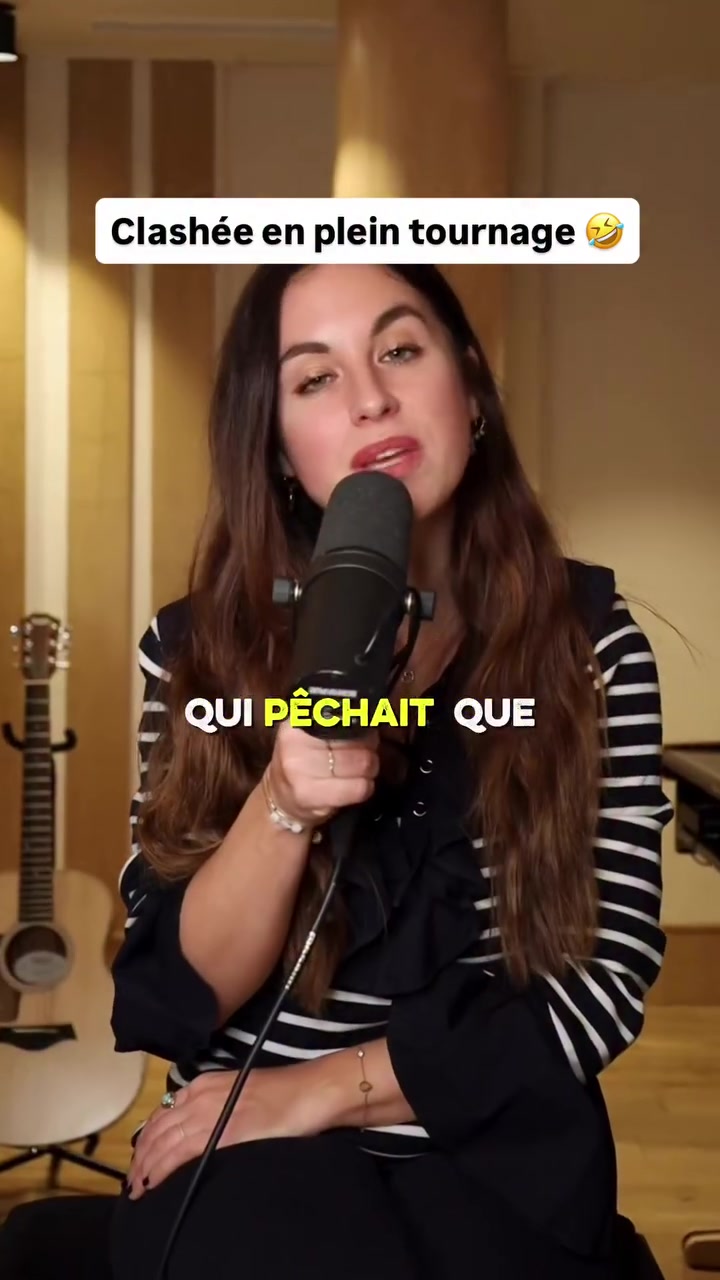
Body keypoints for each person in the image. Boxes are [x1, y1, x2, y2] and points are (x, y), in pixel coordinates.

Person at [0, 263, 674, 1280]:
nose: (370, 398)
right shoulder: (195, 656)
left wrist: (317, 1089)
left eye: (400, 349)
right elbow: (178, 996)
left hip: (496, 1164)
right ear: (277, 447)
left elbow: (603, 988)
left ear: (472, 388)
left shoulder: (589, 646)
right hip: (242, 1165)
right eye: (314, 378)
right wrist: (282, 804)